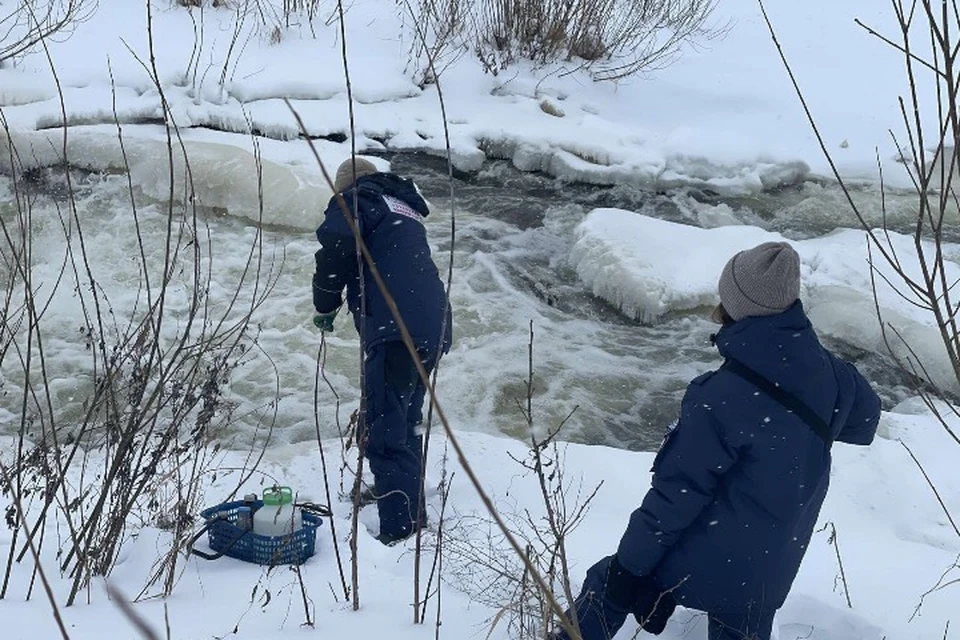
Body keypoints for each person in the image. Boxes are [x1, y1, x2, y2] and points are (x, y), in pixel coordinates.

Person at [555, 242, 880, 640]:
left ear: (738, 307)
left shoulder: (719, 396)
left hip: (712, 558)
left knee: (607, 582)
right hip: (772, 565)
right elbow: (865, 419)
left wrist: (629, 568)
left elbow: (675, 497)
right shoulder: (831, 374)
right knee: (741, 621)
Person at [312, 157, 452, 545]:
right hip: (432, 325)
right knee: (403, 417)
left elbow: (334, 246)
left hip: (397, 328)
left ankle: (402, 529)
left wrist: (325, 304)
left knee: (386, 429)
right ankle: (402, 498)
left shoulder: (359, 200)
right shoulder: (400, 206)